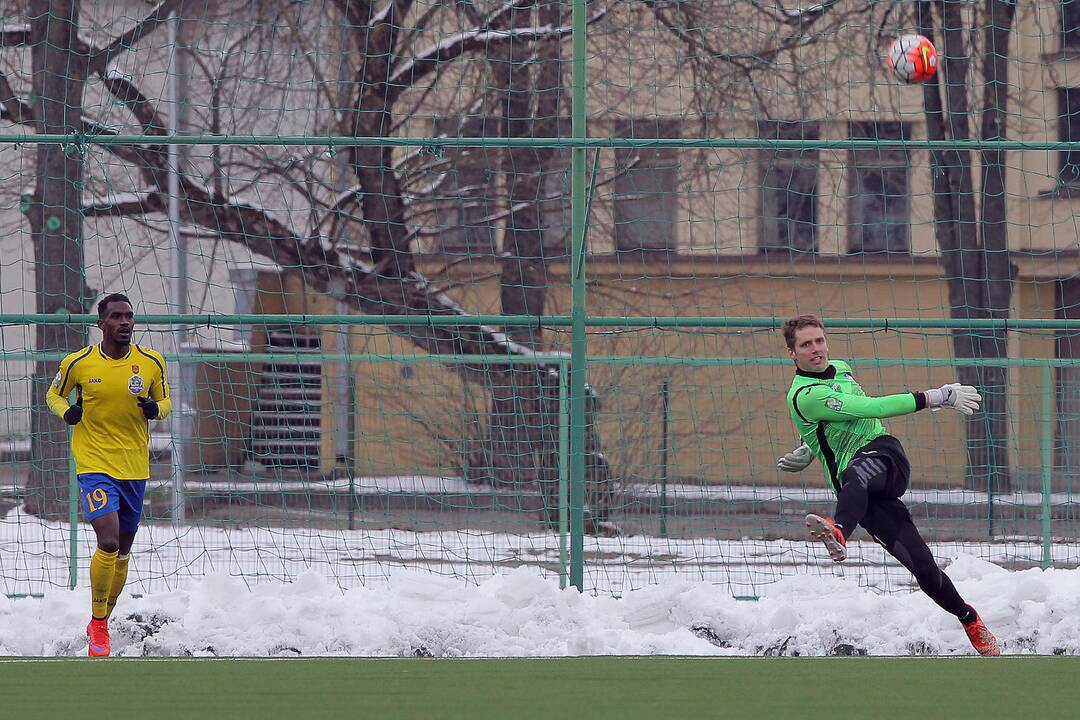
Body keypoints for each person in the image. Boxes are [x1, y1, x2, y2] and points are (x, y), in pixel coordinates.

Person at [778, 314, 1000, 656]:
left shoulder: (841, 368)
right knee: (921, 565)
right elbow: (866, 407)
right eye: (805, 344)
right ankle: (970, 618)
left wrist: (809, 447)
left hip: (884, 457)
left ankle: (838, 531)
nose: (816, 349)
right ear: (792, 353)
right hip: (857, 494)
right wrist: (936, 396)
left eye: (819, 340)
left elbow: (863, 412)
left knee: (858, 471)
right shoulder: (805, 394)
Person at [46, 293, 172, 657]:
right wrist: (67, 412)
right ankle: (99, 624)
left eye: (129, 316)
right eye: (116, 316)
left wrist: (155, 409)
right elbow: (53, 394)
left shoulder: (151, 363)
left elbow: (166, 402)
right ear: (101, 324)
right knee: (109, 540)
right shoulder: (79, 363)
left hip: (134, 466)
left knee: (123, 550)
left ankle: (103, 617)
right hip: (94, 464)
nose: (125, 322)